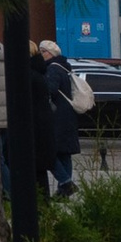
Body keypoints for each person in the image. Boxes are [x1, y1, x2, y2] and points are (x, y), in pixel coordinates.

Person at [32, 41, 84, 200]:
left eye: (43, 51)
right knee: (64, 153)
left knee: (50, 151)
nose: (41, 54)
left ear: (51, 53)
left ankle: (65, 182)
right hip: (67, 115)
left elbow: (50, 89)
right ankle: (64, 190)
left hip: (57, 116)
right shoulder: (64, 67)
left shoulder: (53, 69)